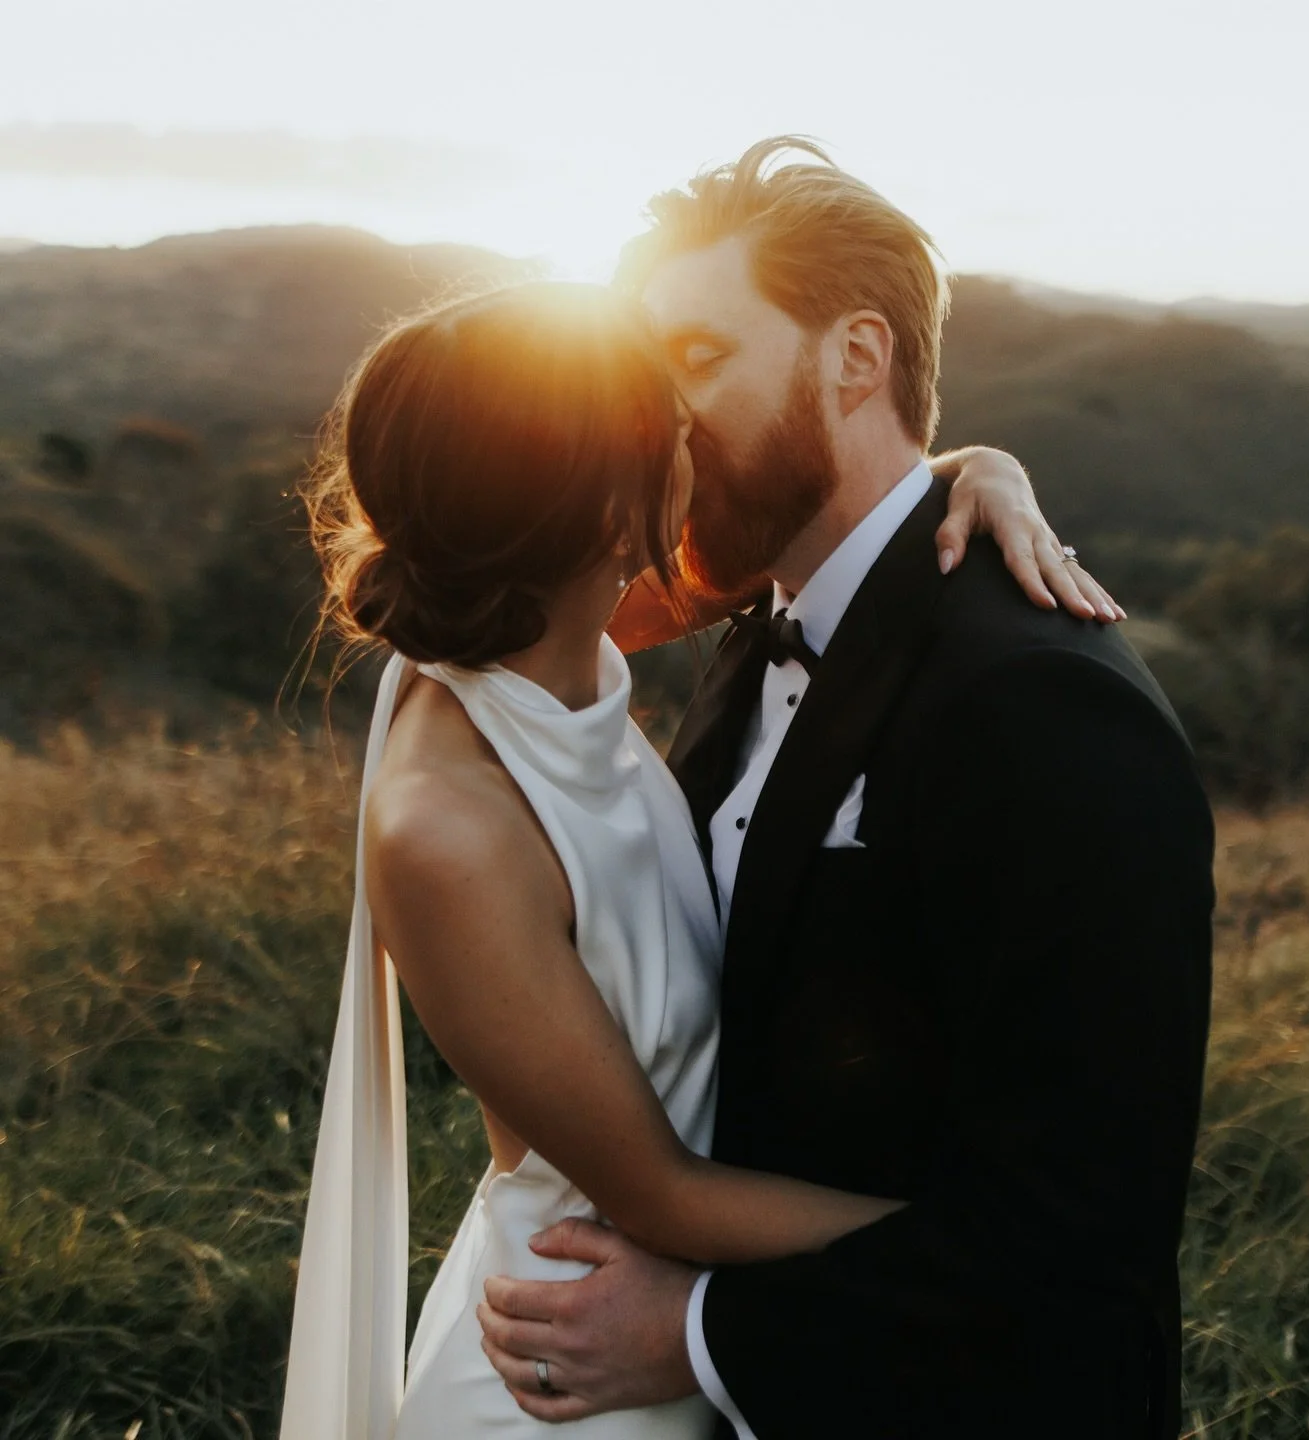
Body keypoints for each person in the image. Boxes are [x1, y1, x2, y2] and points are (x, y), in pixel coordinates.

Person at [277, 274, 1114, 1439]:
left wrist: (982, 474)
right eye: (676, 432)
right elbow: (655, 1189)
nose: (701, 441)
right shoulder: (446, 829)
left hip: (672, 1328)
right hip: (565, 1368)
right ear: (616, 511)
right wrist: (992, 1253)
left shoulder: (543, 620)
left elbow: (849, 532)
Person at [476, 139, 1216, 1439]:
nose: (658, 419)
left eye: (698, 361)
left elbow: (1083, 1237)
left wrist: (697, 1335)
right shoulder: (750, 614)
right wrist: (964, 460)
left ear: (857, 358)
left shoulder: (1045, 709)